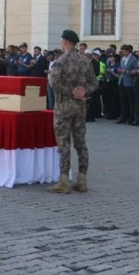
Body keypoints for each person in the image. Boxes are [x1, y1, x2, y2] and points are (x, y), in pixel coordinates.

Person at [47, 29, 98, 194]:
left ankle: (64, 181)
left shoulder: (60, 61)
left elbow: (53, 83)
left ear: (64, 42)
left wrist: (71, 91)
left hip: (64, 107)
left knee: (64, 144)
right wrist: (83, 92)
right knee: (81, 144)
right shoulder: (85, 61)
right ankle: (82, 180)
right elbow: (94, 83)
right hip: (80, 108)